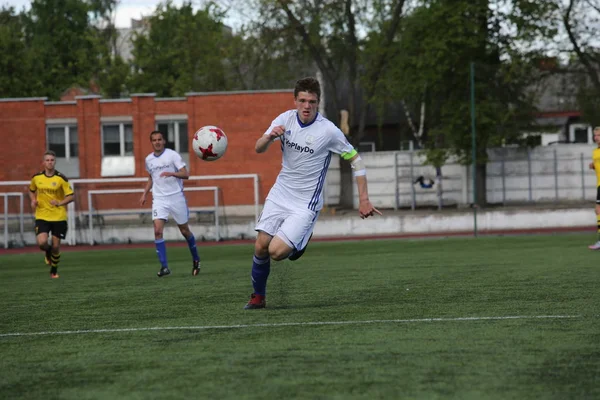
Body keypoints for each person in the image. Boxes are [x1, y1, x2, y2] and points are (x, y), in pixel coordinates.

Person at [244, 76, 382, 310]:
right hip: (280, 194)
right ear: (295, 100)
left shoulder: (328, 131)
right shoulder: (284, 120)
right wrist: (269, 137)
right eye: (303, 100)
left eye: (312, 101)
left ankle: (301, 240)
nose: (307, 106)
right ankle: (258, 297)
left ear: (318, 103)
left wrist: (364, 199)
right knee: (260, 246)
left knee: (276, 253)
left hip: (305, 204)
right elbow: (258, 147)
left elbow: (356, 161)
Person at [140, 130, 201, 277]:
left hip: (176, 197)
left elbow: (186, 174)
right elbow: (151, 178)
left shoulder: (172, 155)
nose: (157, 142)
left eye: (159, 139)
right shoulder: (149, 160)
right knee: (157, 231)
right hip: (159, 199)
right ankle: (164, 267)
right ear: (151, 142)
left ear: (164, 141)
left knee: (185, 231)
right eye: (154, 140)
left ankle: (196, 260)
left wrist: (172, 173)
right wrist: (144, 194)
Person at [29, 150, 75, 279]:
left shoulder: (61, 178)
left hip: (58, 216)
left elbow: (71, 196)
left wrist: (60, 203)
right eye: (47, 160)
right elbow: (31, 190)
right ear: (43, 162)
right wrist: (33, 200)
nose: (50, 162)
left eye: (52, 160)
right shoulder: (36, 178)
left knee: (56, 246)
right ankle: (47, 252)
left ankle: (54, 271)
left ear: (55, 162)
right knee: (42, 243)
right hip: (42, 215)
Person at [588, 126, 600, 250]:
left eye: (599, 135)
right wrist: (593, 166)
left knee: (598, 210)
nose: (596, 137)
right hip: (599, 184)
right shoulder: (595, 152)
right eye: (595, 135)